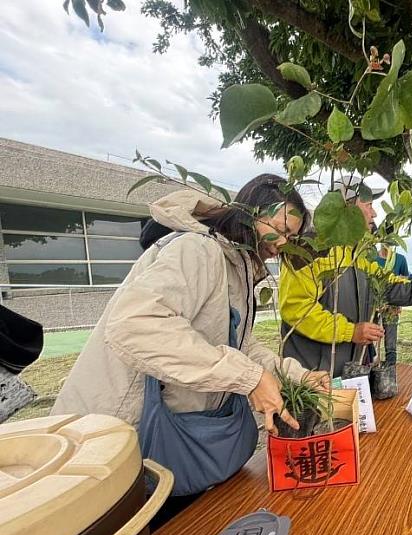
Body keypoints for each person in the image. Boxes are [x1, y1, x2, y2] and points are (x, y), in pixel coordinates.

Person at [54, 174, 329, 496]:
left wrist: (296, 375)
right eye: (280, 230)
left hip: (159, 436)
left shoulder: (234, 264)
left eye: (290, 236)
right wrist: (248, 378)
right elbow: (136, 324)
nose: (282, 243)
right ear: (249, 212)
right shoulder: (198, 249)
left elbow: (238, 343)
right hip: (114, 435)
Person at [279, 175, 412, 377]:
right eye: (368, 205)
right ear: (346, 207)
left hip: (348, 372)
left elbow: (386, 285)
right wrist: (350, 331)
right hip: (312, 376)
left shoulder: (357, 251)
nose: (374, 213)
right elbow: (296, 309)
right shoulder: (310, 248)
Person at [375, 244, 410, 366]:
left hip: (392, 307)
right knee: (371, 344)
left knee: (390, 345)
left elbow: (404, 282)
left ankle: (390, 371)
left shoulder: (400, 259)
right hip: (374, 307)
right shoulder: (372, 258)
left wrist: (399, 303)